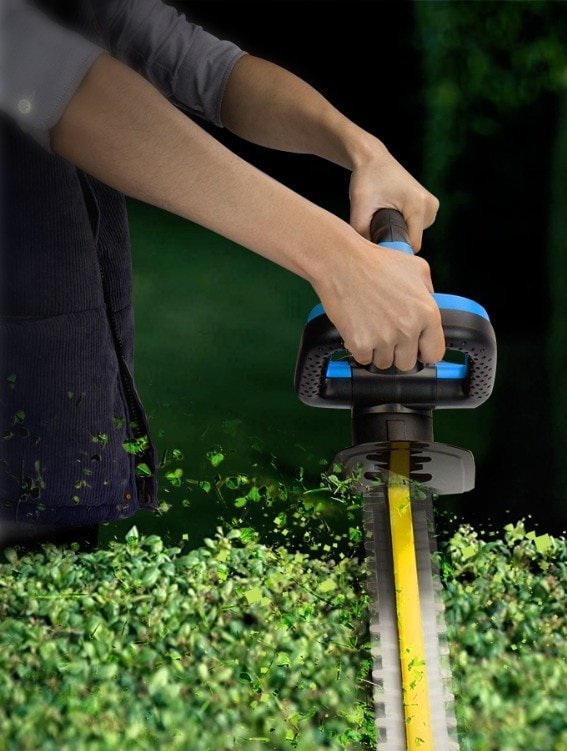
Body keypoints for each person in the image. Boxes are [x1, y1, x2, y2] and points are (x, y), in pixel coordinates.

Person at [0, 0, 444, 553]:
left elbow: (195, 62)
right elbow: (44, 78)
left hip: (48, 436)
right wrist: (337, 258)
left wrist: (360, 149)